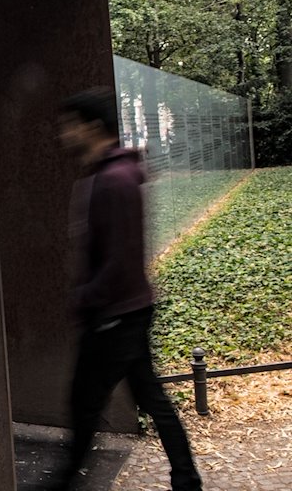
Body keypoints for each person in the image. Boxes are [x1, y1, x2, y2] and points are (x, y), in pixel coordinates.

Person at [51, 87, 202, 490]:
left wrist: (85, 300)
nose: (63, 134)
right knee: (150, 398)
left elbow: (120, 261)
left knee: (84, 406)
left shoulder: (113, 181)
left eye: (70, 126)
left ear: (93, 127)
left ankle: (63, 483)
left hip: (114, 316)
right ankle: (187, 480)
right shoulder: (106, 175)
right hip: (127, 310)